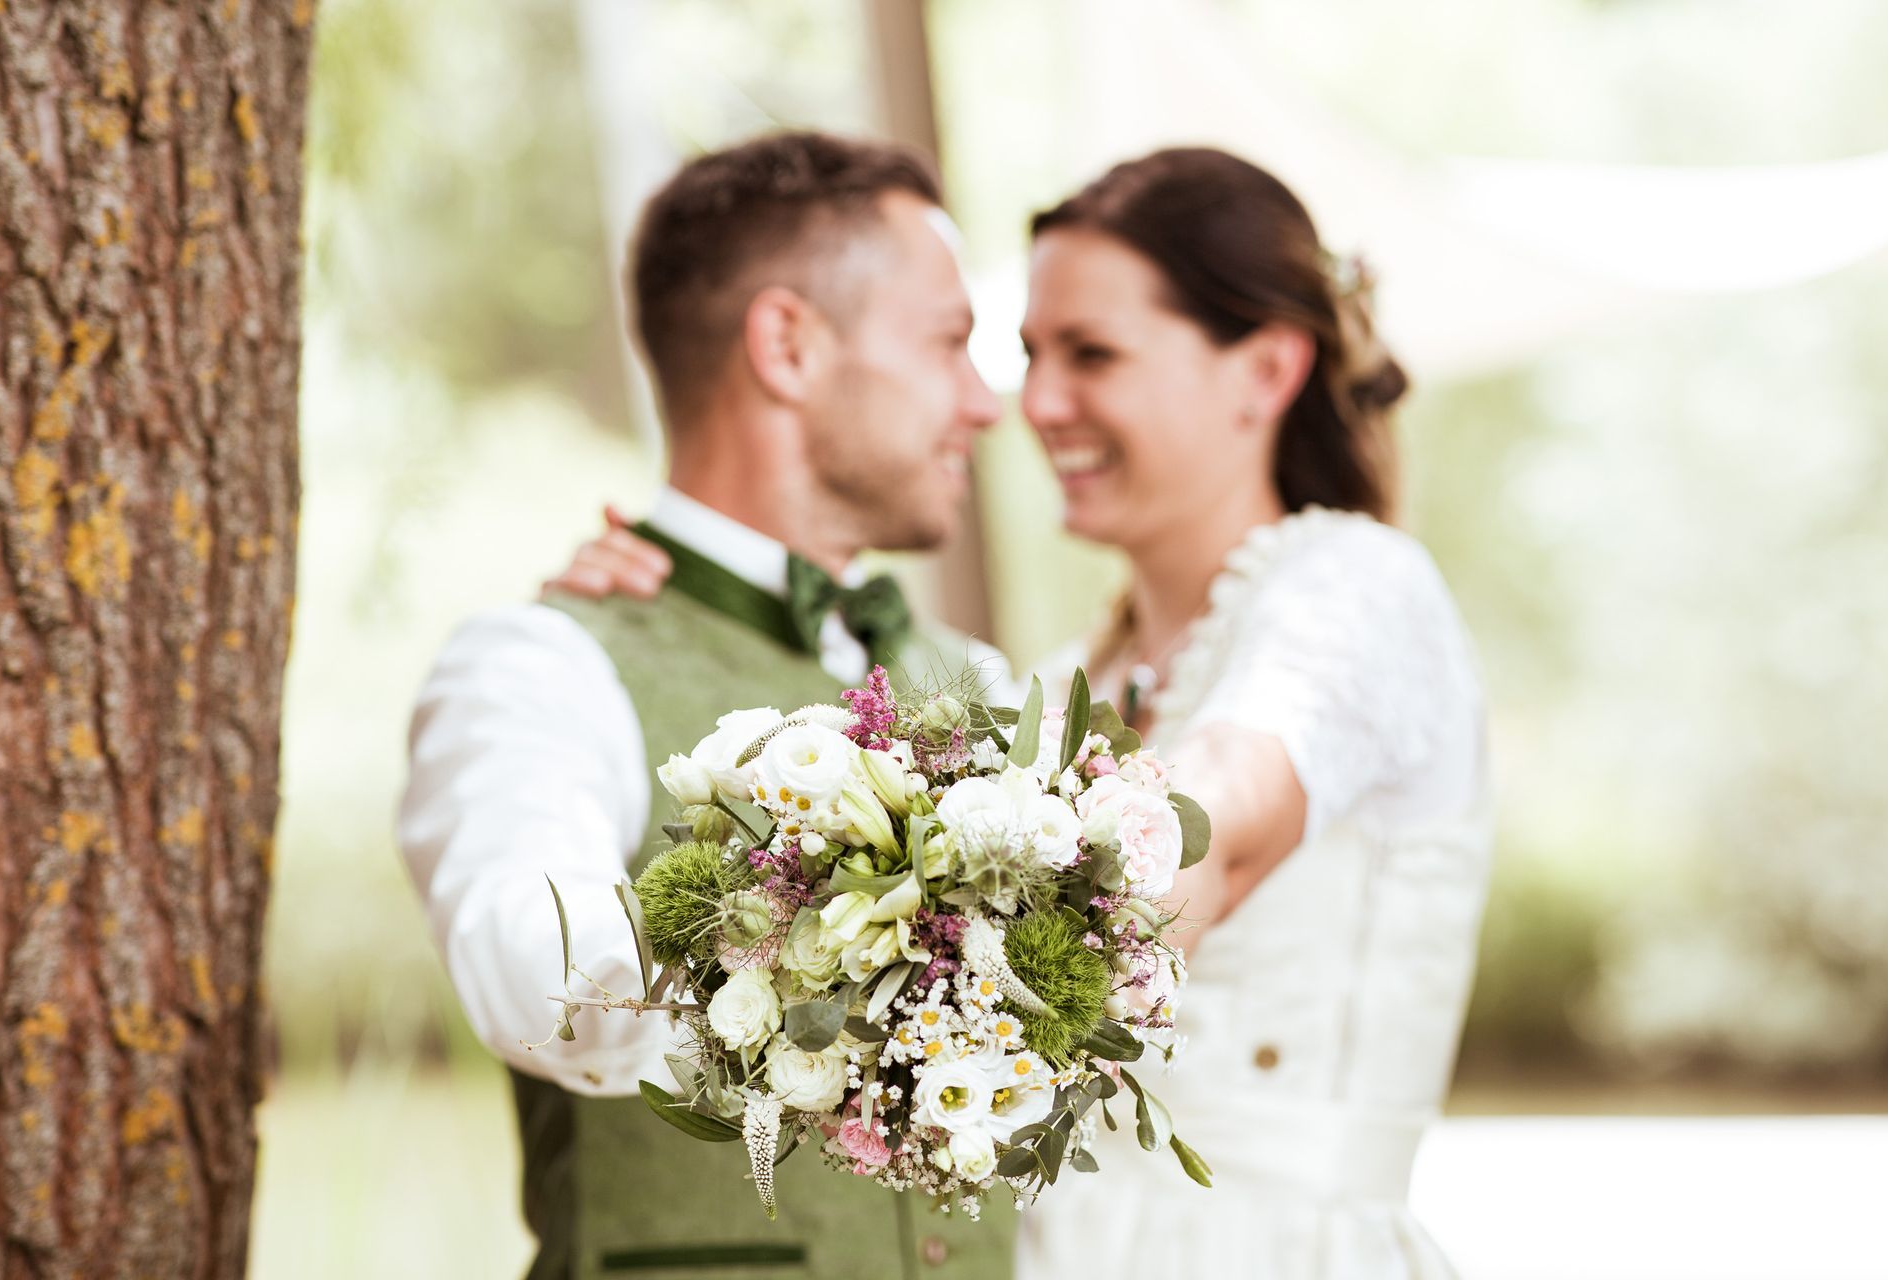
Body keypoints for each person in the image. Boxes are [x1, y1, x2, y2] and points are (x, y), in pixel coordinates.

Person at [552, 146, 1493, 1278]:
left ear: (1265, 369)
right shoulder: (1032, 691)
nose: (1033, 404)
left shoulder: (1358, 592)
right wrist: (673, 576)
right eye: (1029, 353)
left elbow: (1225, 822)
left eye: (1092, 354)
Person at [398, 131, 1015, 1280]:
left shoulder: (980, 680)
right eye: (950, 343)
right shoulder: (542, 666)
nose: (985, 402)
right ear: (787, 344)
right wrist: (840, 886)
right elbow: (536, 980)